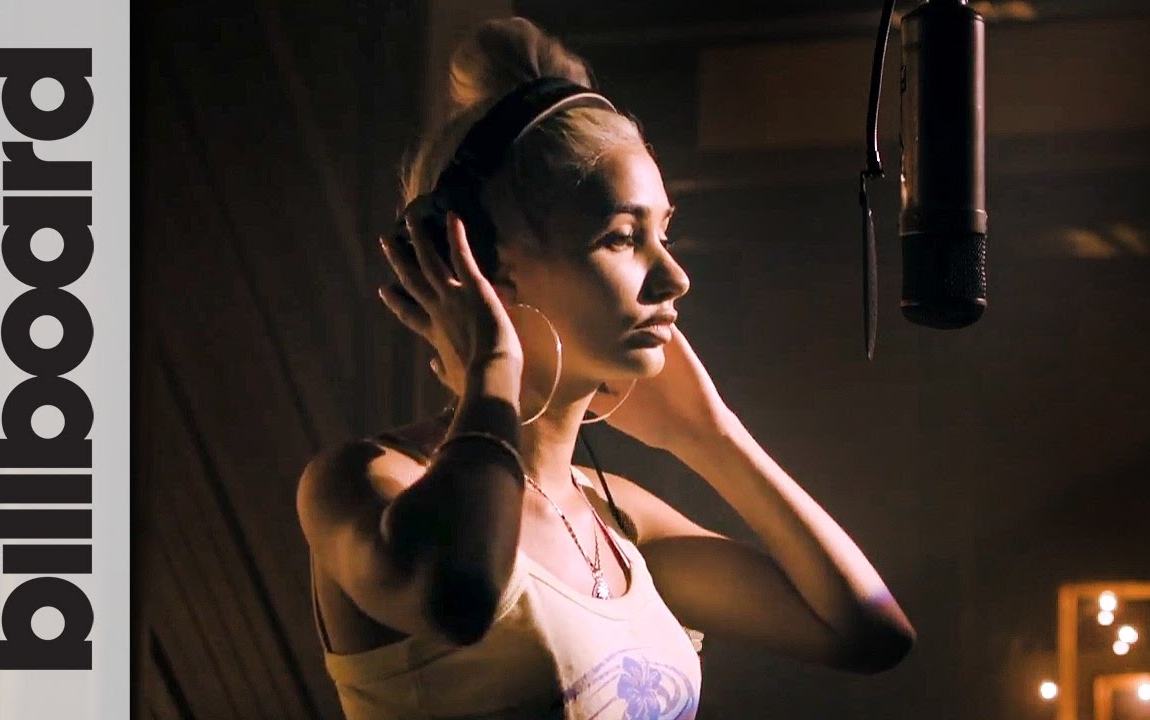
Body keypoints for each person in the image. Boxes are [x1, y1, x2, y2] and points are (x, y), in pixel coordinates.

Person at [296, 16, 914, 720]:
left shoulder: (616, 517)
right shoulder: (363, 482)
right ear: (483, 262)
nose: (675, 277)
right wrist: (491, 367)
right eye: (622, 238)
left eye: (664, 232)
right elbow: (460, 595)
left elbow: (871, 633)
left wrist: (712, 436)